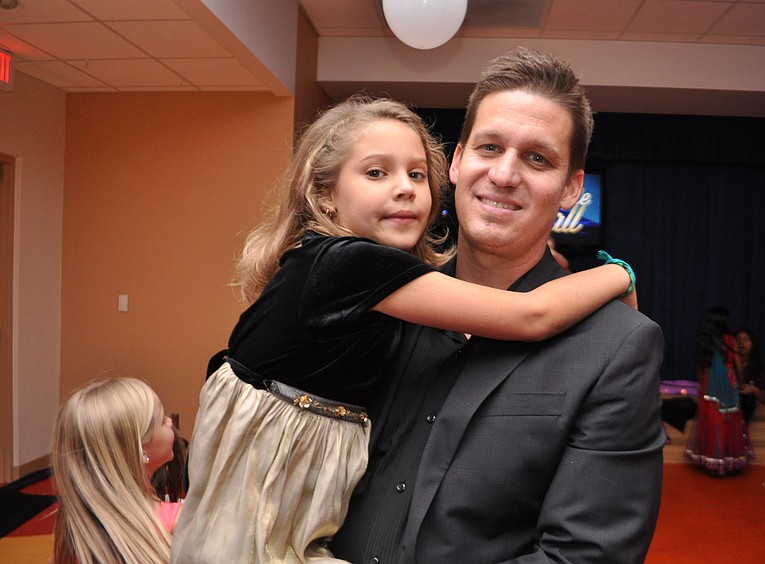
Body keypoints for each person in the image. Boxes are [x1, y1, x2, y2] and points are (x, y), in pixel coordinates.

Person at [171, 96, 637, 563]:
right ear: (325, 194)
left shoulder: (378, 288)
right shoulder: (349, 264)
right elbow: (530, 315)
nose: (405, 189)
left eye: (416, 175)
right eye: (376, 173)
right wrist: (620, 274)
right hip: (260, 500)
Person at [330, 48, 666, 563]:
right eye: (490, 148)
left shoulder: (617, 346)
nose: (505, 175)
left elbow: (585, 557)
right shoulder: (380, 304)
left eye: (538, 158)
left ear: (572, 188)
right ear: (458, 162)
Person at [51, 377, 181, 564]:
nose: (169, 422)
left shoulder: (77, 528)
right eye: (162, 421)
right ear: (140, 451)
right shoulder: (178, 520)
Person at [685, 307, 754, 476]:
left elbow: (700, 367)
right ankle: (727, 460)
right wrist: (741, 381)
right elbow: (738, 365)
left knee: (711, 421)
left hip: (709, 386)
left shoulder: (706, 341)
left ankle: (712, 460)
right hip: (727, 384)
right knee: (728, 421)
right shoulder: (729, 340)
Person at [736, 326, 765, 423]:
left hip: (745, 403)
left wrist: (753, 389)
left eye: (745, 339)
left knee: (748, 399)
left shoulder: (756, 366)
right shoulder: (728, 363)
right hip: (730, 400)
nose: (741, 343)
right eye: (738, 339)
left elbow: (764, 399)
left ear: (752, 344)